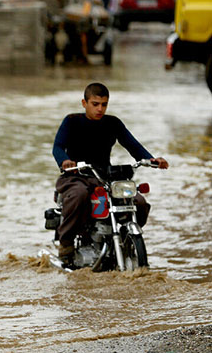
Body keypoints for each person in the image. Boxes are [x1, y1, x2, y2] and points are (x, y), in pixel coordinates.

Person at [52, 82, 169, 265]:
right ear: (84, 103)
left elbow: (133, 145)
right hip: (76, 175)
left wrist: (152, 160)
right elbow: (57, 147)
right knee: (79, 195)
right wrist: (65, 161)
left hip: (104, 176)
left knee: (138, 202)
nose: (100, 109)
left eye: (104, 104)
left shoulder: (112, 123)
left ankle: (124, 236)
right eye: (95, 104)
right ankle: (66, 244)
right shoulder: (72, 121)